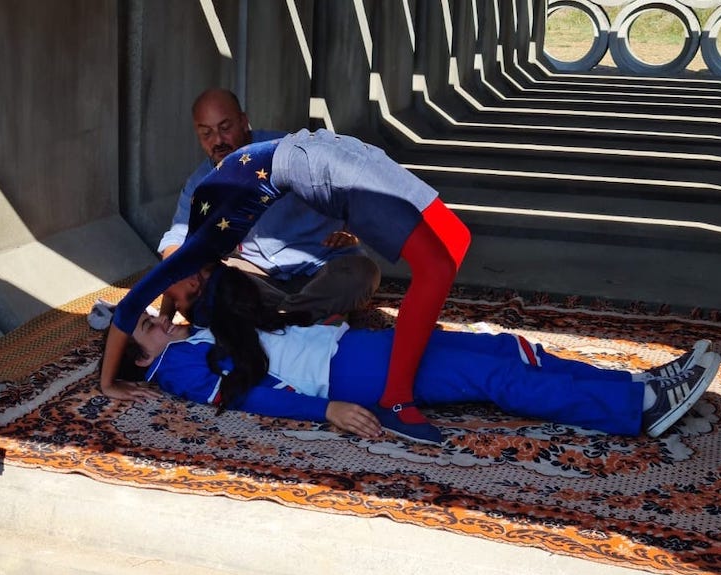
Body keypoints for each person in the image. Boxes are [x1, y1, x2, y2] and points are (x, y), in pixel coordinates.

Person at [103, 127, 472, 444]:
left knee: (449, 249)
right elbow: (156, 303)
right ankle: (397, 399)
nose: (192, 284)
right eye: (189, 296)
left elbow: (129, 309)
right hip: (316, 162)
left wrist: (108, 381)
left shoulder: (191, 250)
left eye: (182, 294)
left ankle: (391, 387)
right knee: (444, 256)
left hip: (318, 151)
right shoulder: (206, 251)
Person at [118, 266, 721, 440]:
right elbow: (247, 394)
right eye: (144, 327)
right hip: (345, 372)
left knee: (502, 347)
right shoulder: (184, 370)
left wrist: (171, 322)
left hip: (350, 348)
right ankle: (636, 410)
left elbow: (177, 286)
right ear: (143, 361)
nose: (154, 317)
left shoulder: (192, 336)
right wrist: (324, 413)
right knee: (488, 374)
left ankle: (634, 384)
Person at [159, 88, 381, 323]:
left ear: (244, 122)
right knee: (211, 278)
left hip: (323, 265)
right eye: (206, 134)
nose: (218, 141)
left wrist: (351, 229)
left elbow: (350, 186)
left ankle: (279, 320)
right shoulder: (202, 182)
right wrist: (177, 277)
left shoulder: (286, 150)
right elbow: (177, 240)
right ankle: (306, 318)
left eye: (225, 128)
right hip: (257, 276)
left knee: (362, 273)